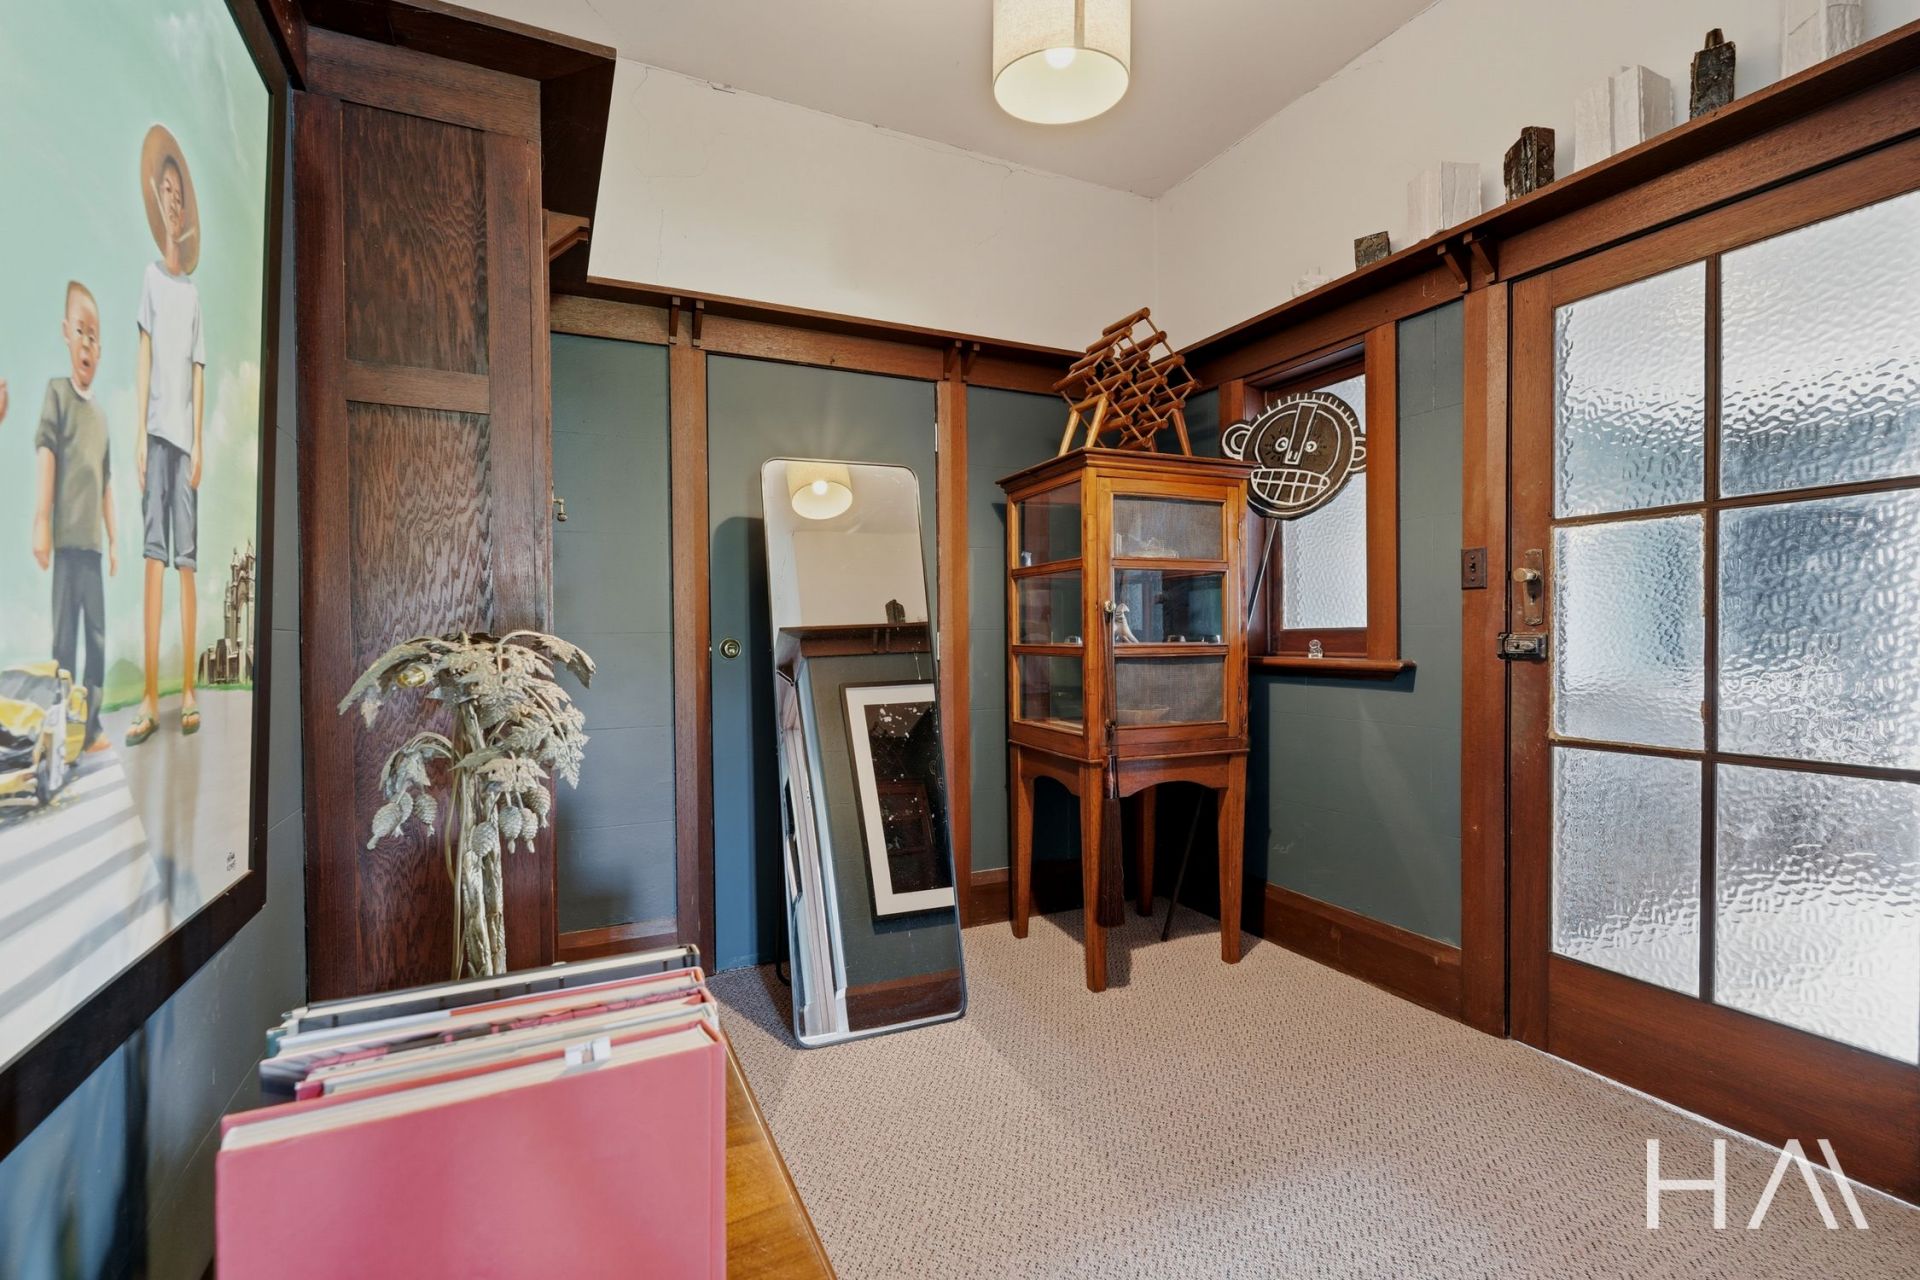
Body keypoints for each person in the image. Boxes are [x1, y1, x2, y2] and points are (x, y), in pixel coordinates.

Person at [129, 124, 205, 745]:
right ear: (157, 201)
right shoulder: (151, 281)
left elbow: (198, 370)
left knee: (187, 565)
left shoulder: (194, 293)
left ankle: (188, 692)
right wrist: (137, 434)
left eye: (180, 194)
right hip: (155, 437)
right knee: (154, 561)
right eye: (167, 192)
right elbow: (145, 357)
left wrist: (200, 440)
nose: (173, 201)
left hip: (185, 443)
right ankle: (150, 698)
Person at [33, 282, 118, 751]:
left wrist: (115, 540)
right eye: (80, 331)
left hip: (93, 549)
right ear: (66, 333)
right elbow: (46, 454)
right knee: (63, 640)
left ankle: (92, 726)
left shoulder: (102, 418)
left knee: (97, 638)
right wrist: (40, 521)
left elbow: (106, 483)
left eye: (94, 336)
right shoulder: (57, 394)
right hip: (65, 545)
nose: (87, 343)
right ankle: (60, 725)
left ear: (100, 351)